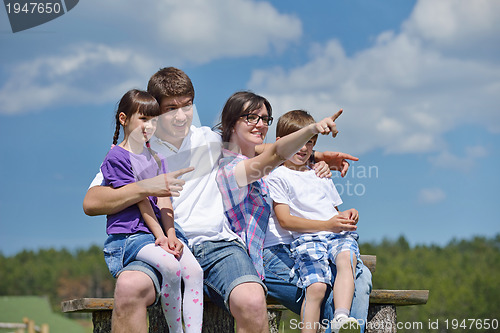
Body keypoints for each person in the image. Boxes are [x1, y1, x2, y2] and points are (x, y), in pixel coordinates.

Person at [83, 67, 366, 333]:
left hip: (217, 246)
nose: (182, 116)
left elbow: (264, 152)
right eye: (171, 109)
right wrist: (147, 187)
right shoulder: (138, 148)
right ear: (155, 109)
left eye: (187, 105)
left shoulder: (210, 140)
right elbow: (92, 202)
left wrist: (315, 154)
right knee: (129, 287)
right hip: (163, 246)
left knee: (252, 300)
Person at [100, 89, 203, 333]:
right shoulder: (117, 157)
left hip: (157, 234)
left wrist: (171, 235)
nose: (149, 126)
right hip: (130, 236)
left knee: (194, 271)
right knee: (171, 267)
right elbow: (142, 201)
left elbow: (164, 201)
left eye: (154, 120)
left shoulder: (157, 158)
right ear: (124, 119)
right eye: (143, 119)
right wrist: (160, 236)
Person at [266, 110, 362, 333]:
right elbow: (285, 220)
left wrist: (348, 215)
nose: (303, 148)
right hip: (308, 238)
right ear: (281, 142)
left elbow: (333, 211)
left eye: (309, 143)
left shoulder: (320, 173)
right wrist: (329, 224)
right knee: (316, 287)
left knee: (347, 260)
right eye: (299, 142)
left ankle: (341, 317)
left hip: (336, 235)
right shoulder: (278, 176)